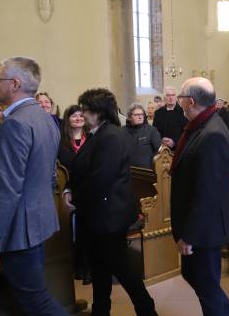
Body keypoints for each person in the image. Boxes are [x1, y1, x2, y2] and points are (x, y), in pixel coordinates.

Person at [0, 57, 68, 315]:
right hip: (36, 221)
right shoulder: (44, 117)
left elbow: (7, 190)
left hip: (19, 228)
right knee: (32, 298)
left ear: (14, 84)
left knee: (36, 301)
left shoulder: (16, 123)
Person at [65, 88, 158, 316]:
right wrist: (69, 188)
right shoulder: (98, 134)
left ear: (99, 112)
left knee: (122, 269)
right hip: (98, 214)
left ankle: (147, 310)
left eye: (86, 109)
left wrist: (74, 198)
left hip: (109, 215)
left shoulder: (111, 136)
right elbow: (82, 167)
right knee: (100, 268)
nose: (83, 114)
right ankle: (101, 310)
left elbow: (101, 178)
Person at [170, 77, 229, 316]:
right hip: (197, 223)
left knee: (207, 288)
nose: (178, 102)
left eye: (180, 97)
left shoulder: (212, 133)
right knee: (195, 276)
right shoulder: (201, 125)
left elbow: (207, 193)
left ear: (190, 101)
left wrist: (189, 235)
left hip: (204, 227)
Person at [57, 104, 91, 285]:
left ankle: (88, 268)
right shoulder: (60, 143)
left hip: (88, 192)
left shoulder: (91, 139)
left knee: (88, 231)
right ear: (67, 119)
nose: (78, 118)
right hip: (67, 193)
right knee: (72, 232)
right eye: (74, 116)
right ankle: (76, 266)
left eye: (81, 115)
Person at [124, 103, 162, 169]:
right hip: (127, 171)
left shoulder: (152, 131)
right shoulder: (122, 131)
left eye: (141, 114)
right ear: (129, 117)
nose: (140, 117)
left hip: (146, 171)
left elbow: (159, 152)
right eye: (136, 115)